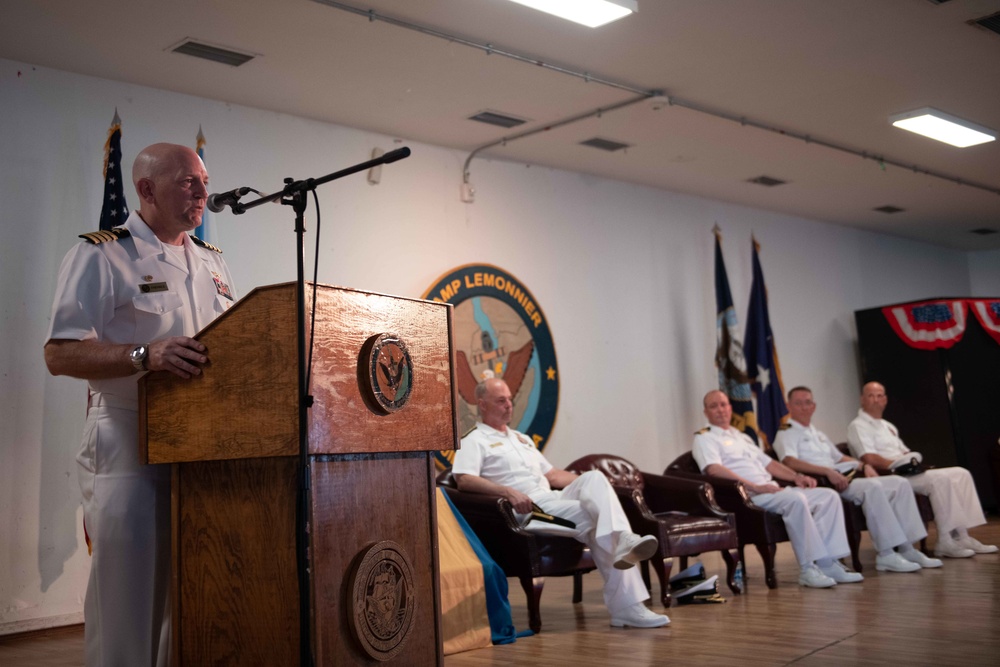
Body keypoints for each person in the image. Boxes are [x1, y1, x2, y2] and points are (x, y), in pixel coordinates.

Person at [44, 143, 238, 666]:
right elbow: (60, 353)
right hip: (129, 433)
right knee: (126, 595)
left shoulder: (211, 261)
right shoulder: (101, 254)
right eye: (187, 182)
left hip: (200, 441)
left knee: (189, 589)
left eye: (203, 180)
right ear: (146, 190)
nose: (202, 192)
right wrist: (141, 355)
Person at [452, 378, 669, 629]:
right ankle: (628, 606)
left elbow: (553, 475)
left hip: (552, 499)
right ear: (482, 404)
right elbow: (464, 479)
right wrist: (508, 492)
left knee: (595, 478)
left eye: (510, 399)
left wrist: (598, 488)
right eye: (501, 401)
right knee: (600, 520)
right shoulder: (473, 439)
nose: (509, 405)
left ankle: (623, 544)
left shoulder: (522, 439)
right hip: (528, 510)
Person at [693, 390, 860, 588]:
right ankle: (808, 569)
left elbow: (770, 464)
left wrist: (797, 477)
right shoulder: (704, 438)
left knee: (828, 496)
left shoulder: (741, 437)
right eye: (714, 406)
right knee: (797, 501)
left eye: (723, 405)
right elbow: (713, 469)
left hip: (770, 490)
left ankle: (829, 563)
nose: (720, 410)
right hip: (747, 496)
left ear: (730, 408)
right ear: (706, 412)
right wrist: (754, 486)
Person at [772, 387, 942, 573]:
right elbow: (789, 461)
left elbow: (839, 457)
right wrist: (826, 471)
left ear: (814, 406)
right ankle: (886, 554)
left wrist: (863, 465)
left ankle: (908, 548)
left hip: (843, 477)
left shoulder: (816, 432)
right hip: (823, 483)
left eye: (808, 402)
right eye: (798, 403)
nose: (804, 407)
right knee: (873, 487)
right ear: (788, 406)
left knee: (899, 483)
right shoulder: (785, 431)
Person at [847, 382, 997, 559]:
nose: (876, 399)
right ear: (862, 399)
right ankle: (945, 541)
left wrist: (910, 460)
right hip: (890, 474)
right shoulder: (858, 425)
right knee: (940, 479)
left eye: (880, 395)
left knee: (960, 473)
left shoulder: (888, 426)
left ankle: (962, 536)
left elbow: (904, 451)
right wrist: (897, 463)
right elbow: (868, 458)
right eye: (871, 395)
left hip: (908, 470)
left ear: (885, 399)